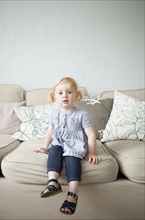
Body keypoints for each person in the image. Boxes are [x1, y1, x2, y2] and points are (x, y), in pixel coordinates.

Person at [33, 77, 100, 215]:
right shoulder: (54, 113)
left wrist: (91, 152)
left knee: (71, 158)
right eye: (60, 93)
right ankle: (53, 182)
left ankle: (72, 194)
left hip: (75, 145)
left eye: (69, 92)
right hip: (58, 142)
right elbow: (50, 132)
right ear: (54, 97)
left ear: (76, 96)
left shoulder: (82, 115)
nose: (65, 95)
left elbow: (91, 134)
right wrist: (44, 147)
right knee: (53, 151)